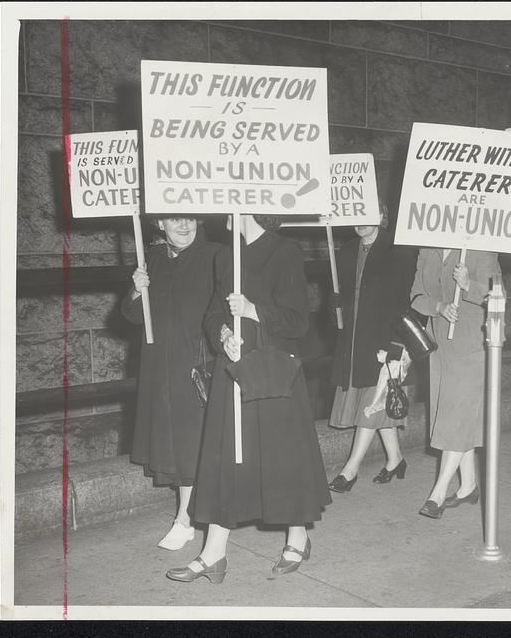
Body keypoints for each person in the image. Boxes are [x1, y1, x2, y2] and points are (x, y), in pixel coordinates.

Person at [166, 214, 330, 583]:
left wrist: (253, 310)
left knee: (280, 458)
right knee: (224, 459)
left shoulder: (285, 251)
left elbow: (297, 321)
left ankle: (298, 536)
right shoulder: (225, 257)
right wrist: (223, 333)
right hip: (234, 369)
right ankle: (214, 553)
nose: (222, 211)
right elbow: (211, 315)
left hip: (273, 372)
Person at [121, 216, 223, 551]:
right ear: (160, 223)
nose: (183, 224)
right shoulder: (154, 259)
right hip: (162, 368)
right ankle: (190, 515)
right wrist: (137, 291)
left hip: (199, 365)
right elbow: (133, 317)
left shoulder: (216, 257)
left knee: (191, 443)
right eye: (174, 218)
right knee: (179, 444)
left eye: (190, 217)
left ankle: (185, 518)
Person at [327, 211, 418, 493]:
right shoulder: (346, 250)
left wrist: (395, 345)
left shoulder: (398, 249)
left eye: (367, 213)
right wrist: (335, 306)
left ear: (381, 215)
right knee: (378, 400)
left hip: (383, 339)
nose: (360, 220)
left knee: (371, 402)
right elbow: (342, 295)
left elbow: (406, 300)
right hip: (355, 341)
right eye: (355, 213)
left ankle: (350, 469)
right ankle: (395, 459)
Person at [410, 247, 501, 519]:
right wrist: (438, 307)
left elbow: (497, 295)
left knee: (456, 418)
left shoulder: (481, 250)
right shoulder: (426, 250)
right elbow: (416, 296)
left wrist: (467, 285)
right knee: (455, 416)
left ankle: (437, 493)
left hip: (472, 346)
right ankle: (469, 486)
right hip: (439, 346)